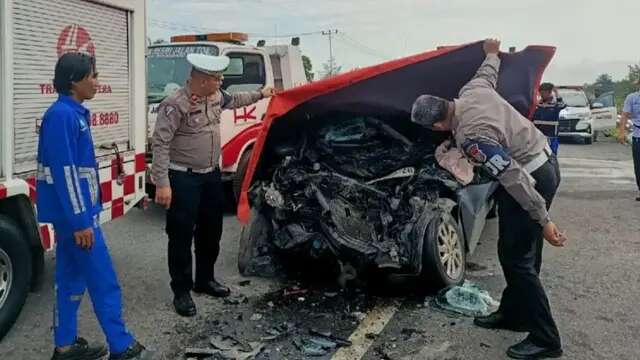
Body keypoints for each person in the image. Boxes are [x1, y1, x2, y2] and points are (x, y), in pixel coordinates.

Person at [411, 39, 567, 359]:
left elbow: (514, 178)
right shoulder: (472, 91)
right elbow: (487, 72)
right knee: (513, 250)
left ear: (438, 125)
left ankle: (546, 339)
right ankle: (514, 313)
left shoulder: (472, 137)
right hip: (541, 160)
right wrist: (492, 53)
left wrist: (544, 220)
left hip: (532, 177)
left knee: (518, 260)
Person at [36, 52, 149, 360]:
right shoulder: (62, 115)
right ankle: (121, 345)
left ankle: (66, 345)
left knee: (70, 279)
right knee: (103, 279)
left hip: (75, 216)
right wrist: (80, 222)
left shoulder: (71, 113)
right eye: (93, 76)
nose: (98, 82)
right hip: (76, 218)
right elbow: (66, 173)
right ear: (75, 81)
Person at [152, 53, 275, 317]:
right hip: (183, 177)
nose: (221, 81)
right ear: (201, 79)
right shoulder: (175, 104)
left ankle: (204, 280)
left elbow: (237, 100)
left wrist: (262, 94)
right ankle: (182, 292)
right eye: (217, 78)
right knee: (181, 236)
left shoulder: (217, 96)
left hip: (211, 176)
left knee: (211, 231)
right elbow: (160, 143)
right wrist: (162, 183)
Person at [618, 78, 640, 201]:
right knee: (638, 166)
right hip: (638, 136)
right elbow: (625, 115)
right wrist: (621, 132)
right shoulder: (632, 98)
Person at [533, 82, 566, 155]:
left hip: (551, 136)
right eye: (541, 92)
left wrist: (557, 93)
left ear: (550, 92)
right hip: (538, 136)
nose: (542, 95)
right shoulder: (537, 105)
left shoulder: (555, 105)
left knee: (551, 155)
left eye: (544, 93)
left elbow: (562, 105)